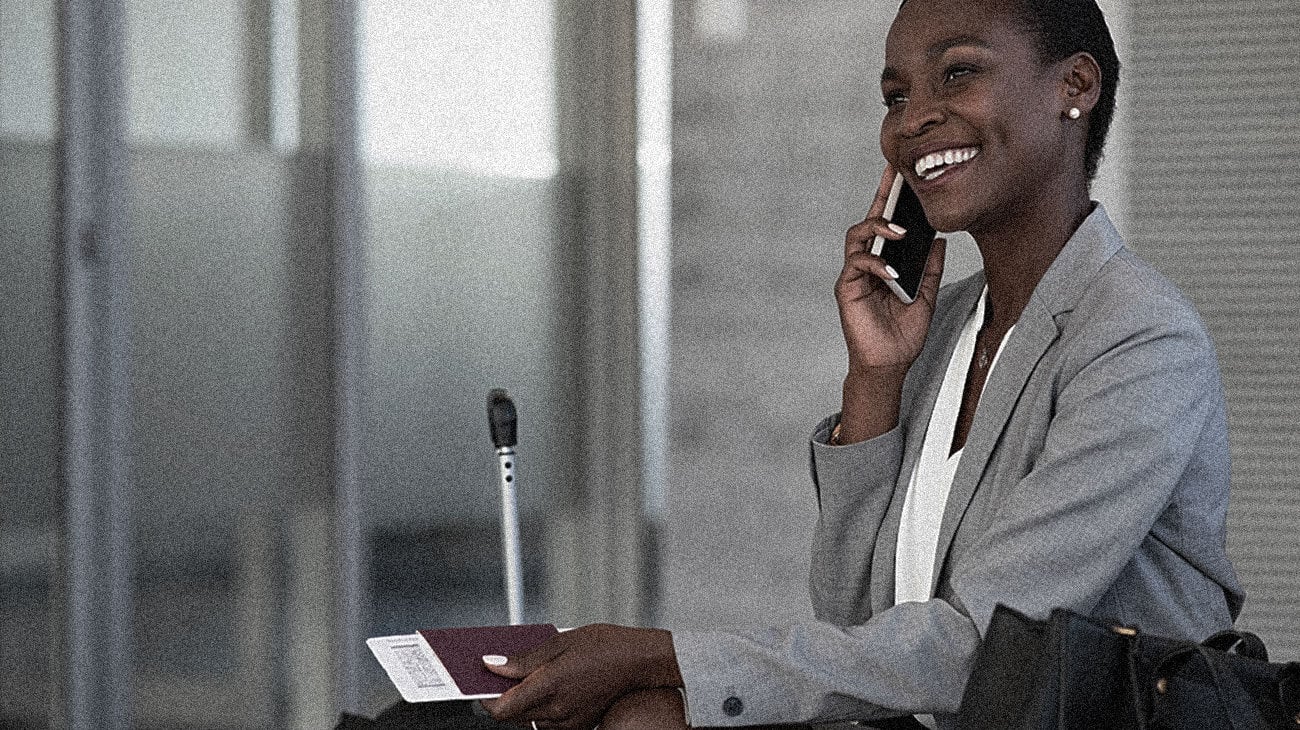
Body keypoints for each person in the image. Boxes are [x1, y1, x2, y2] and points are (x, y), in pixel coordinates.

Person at [462, 0, 1246, 728]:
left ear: (1074, 86)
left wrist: (657, 653)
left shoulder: (1140, 340)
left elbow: (985, 646)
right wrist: (874, 383)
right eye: (895, 96)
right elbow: (856, 629)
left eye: (959, 73)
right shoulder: (944, 330)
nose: (916, 119)